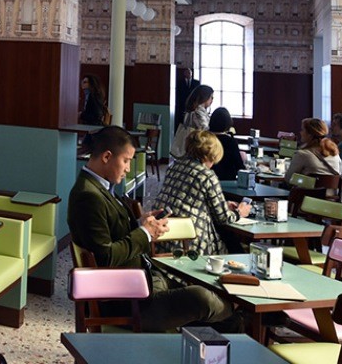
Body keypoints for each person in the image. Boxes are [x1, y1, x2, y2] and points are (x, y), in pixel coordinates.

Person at [67, 126, 239, 333]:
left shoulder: (99, 189)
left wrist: (139, 223)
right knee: (202, 299)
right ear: (106, 157)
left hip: (141, 282)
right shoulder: (88, 196)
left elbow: (112, 235)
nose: (128, 168)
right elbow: (105, 257)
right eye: (126, 160)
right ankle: (239, 315)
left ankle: (233, 317)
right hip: (125, 301)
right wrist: (144, 233)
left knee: (202, 291)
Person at [154, 130, 251, 255]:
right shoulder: (206, 175)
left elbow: (188, 201)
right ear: (209, 155)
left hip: (162, 239)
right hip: (191, 244)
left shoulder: (174, 167)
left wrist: (224, 205)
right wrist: (239, 212)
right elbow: (224, 218)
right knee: (233, 244)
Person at [285, 117, 341, 183]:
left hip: (307, 190)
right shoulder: (335, 154)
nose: (300, 132)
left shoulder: (302, 154)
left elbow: (289, 178)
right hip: (331, 189)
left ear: (310, 134)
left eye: (302, 130)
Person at [171, 85, 214, 159]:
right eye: (211, 97)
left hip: (189, 143)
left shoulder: (191, 110)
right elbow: (205, 129)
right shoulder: (198, 112)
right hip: (196, 146)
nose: (212, 100)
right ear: (205, 97)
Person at [208, 107, 245, 181]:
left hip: (208, 179)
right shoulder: (231, 142)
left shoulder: (205, 139)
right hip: (228, 181)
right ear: (228, 123)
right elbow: (239, 166)